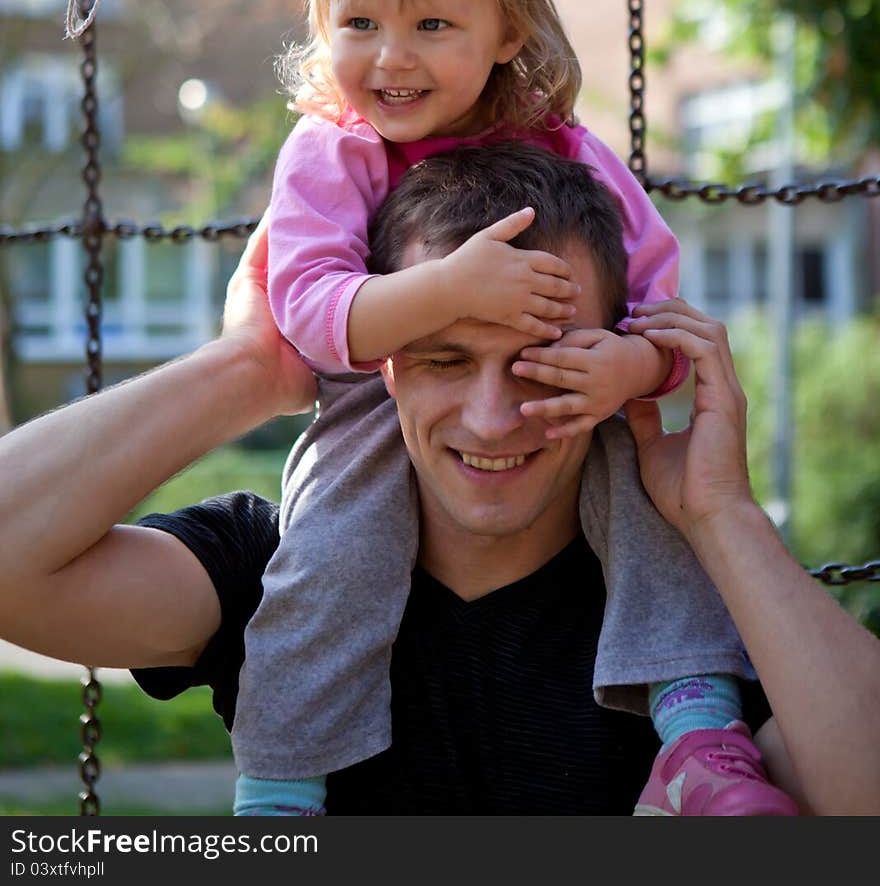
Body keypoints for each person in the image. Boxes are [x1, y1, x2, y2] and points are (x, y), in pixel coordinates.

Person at [1, 154, 878, 815]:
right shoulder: (284, 570)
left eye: (547, 363)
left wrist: (720, 515)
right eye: (444, 358)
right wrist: (252, 368)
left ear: (618, 362)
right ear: (381, 368)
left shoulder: (685, 604)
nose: (492, 418)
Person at [236, 0, 751, 815]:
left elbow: (656, 292)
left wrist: (627, 367)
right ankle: (278, 790)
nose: (391, 56)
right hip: (371, 395)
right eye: (360, 21)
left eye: (432, 22)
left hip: (564, 386)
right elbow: (307, 317)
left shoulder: (562, 148)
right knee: (326, 559)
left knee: (655, 503)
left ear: (508, 29)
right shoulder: (330, 149)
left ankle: (699, 731)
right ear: (321, 24)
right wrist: (448, 291)